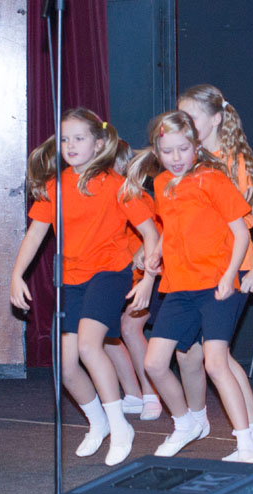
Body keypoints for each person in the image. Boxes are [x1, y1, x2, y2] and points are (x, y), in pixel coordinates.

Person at [10, 108, 158, 466]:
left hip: (109, 273)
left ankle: (121, 427)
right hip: (71, 279)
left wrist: (148, 280)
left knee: (91, 347)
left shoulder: (118, 185)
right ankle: (99, 423)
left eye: (79, 138)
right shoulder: (55, 187)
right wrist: (16, 275)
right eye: (65, 139)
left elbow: (152, 234)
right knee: (66, 366)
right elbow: (35, 234)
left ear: (99, 143)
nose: (71, 145)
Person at [124, 110, 253, 462]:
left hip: (216, 285)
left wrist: (229, 275)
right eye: (168, 151)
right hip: (179, 287)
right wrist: (155, 256)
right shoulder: (161, 184)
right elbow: (172, 228)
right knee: (155, 364)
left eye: (183, 149)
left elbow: (242, 233)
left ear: (196, 147)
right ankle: (185, 423)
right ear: (157, 152)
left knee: (216, 364)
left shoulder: (213, 179)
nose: (176, 157)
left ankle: (246, 443)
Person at [176, 85, 253, 459]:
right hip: (203, 267)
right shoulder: (189, 159)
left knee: (217, 357)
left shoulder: (233, 160)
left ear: (217, 119)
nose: (185, 124)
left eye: (192, 118)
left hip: (234, 266)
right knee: (218, 356)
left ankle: (251, 434)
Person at [103, 139, 163, 421]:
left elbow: (158, 233)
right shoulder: (102, 195)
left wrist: (143, 255)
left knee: (129, 327)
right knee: (103, 331)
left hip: (150, 274)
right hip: (121, 275)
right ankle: (133, 394)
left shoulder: (135, 195)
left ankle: (151, 393)